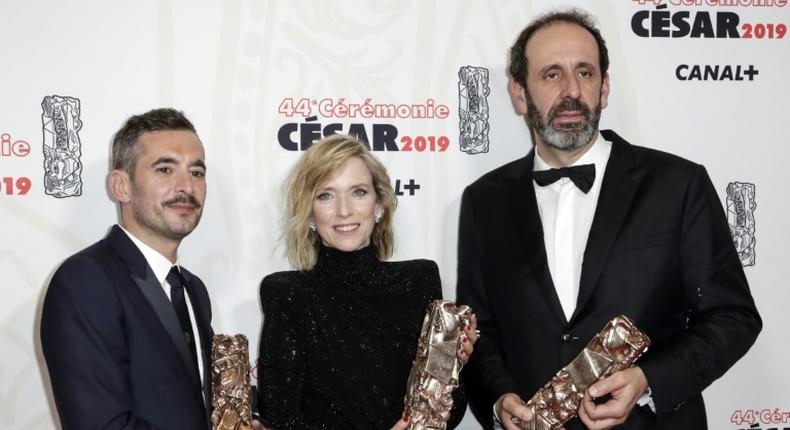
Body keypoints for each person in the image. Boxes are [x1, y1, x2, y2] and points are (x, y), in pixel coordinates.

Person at [456, 9, 761, 430]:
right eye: (551, 75)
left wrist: (648, 380)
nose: (572, 91)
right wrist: (498, 398)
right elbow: (479, 332)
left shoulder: (678, 184)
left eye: (585, 73)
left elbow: (733, 317)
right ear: (520, 93)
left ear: (604, 89)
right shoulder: (483, 201)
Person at [255, 134, 476, 429]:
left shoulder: (419, 281)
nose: (344, 210)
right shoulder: (287, 294)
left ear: (380, 205)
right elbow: (280, 418)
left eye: (358, 192)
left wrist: (454, 367)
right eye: (326, 195)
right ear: (309, 213)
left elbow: (447, 411)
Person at [41, 108, 214, 429]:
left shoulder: (193, 289)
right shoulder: (84, 281)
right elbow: (100, 424)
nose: (186, 186)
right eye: (165, 169)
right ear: (121, 186)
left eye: (197, 172)